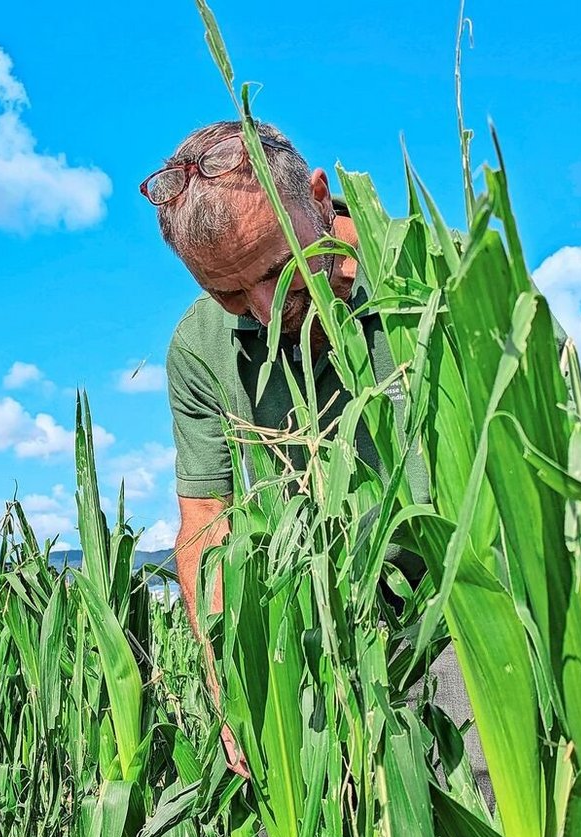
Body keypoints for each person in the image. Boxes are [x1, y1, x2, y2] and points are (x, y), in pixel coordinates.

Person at [144, 120, 484, 790]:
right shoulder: (200, 348)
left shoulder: (444, 273)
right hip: (327, 634)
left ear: (320, 199)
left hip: (468, 614)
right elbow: (207, 522)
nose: (265, 310)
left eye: (277, 269)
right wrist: (233, 676)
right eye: (229, 292)